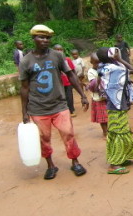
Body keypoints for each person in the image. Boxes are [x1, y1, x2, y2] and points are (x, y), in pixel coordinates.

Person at [19, 24, 89, 180]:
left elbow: (70, 75)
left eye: (48, 37)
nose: (45, 40)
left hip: (59, 105)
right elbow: (24, 88)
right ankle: (50, 165)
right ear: (34, 38)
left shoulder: (57, 56)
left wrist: (82, 95)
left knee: (68, 134)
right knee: (44, 139)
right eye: (41, 37)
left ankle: (75, 162)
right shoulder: (26, 61)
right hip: (37, 108)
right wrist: (24, 113)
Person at [96, 47, 133, 175]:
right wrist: (120, 59)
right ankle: (114, 165)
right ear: (111, 56)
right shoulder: (115, 68)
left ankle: (122, 158)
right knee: (118, 134)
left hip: (115, 103)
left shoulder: (103, 67)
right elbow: (132, 70)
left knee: (122, 131)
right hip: (117, 105)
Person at [87, 52, 108, 137]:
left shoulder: (105, 68)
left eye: (100, 62)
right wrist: (100, 76)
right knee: (102, 118)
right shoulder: (91, 72)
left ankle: (110, 130)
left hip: (107, 97)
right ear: (91, 62)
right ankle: (105, 132)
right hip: (98, 98)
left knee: (109, 115)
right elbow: (94, 86)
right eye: (96, 63)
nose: (99, 64)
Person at [53, 44, 77, 117]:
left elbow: (73, 71)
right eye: (57, 50)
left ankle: (71, 110)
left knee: (69, 96)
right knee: (60, 97)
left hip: (67, 82)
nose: (59, 51)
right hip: (57, 83)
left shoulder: (67, 60)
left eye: (61, 49)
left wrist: (75, 81)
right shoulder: (52, 61)